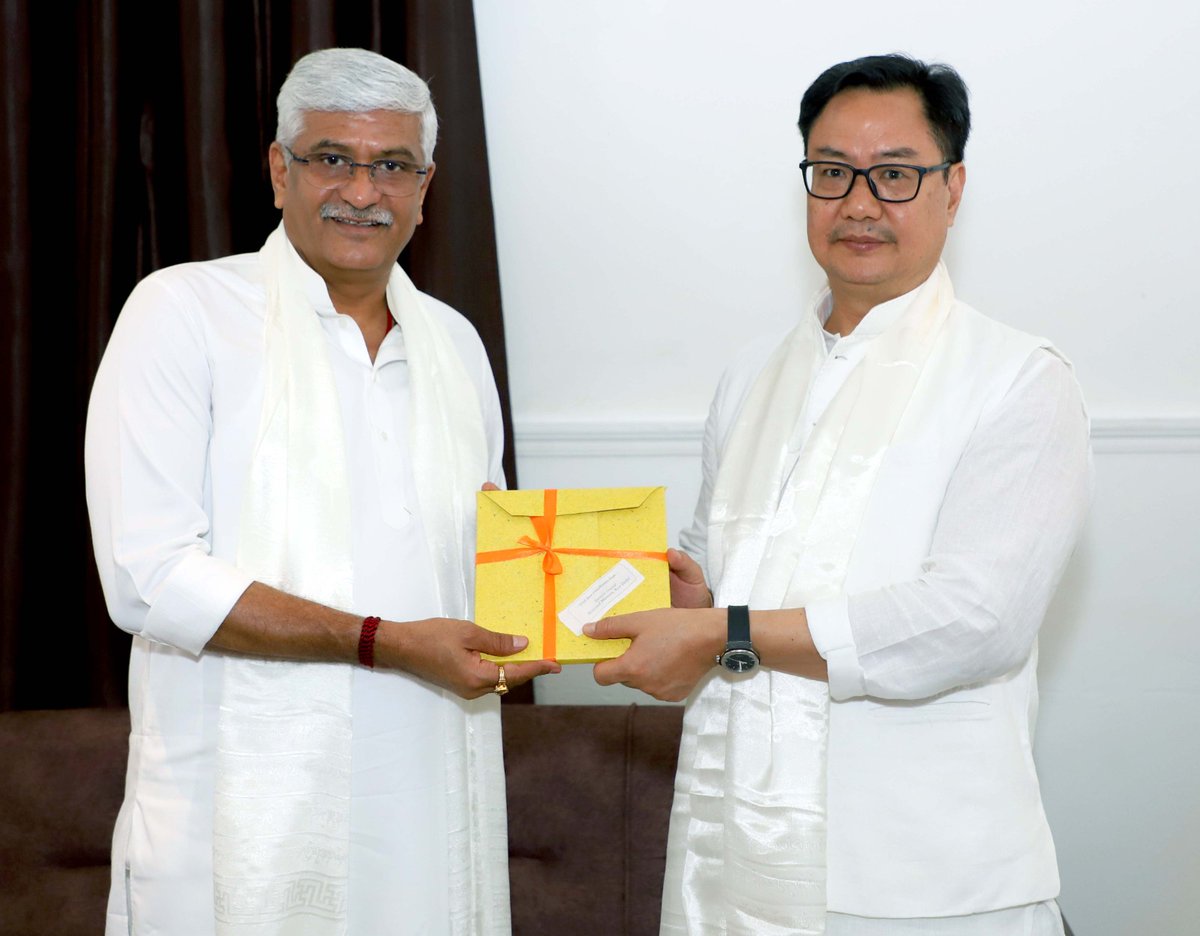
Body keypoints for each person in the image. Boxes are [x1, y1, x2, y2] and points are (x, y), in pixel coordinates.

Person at [586, 54, 1090, 935]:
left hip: (920, 875)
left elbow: (974, 619)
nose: (859, 202)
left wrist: (724, 631)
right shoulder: (751, 376)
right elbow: (717, 569)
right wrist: (687, 597)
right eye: (832, 173)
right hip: (732, 853)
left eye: (895, 174)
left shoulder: (1017, 379)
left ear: (953, 186)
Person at [85, 47, 558, 936]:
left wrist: (616, 596)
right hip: (232, 819)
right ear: (279, 170)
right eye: (332, 158)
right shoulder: (182, 312)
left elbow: (492, 557)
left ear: (425, 186)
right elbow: (148, 578)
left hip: (427, 803)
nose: (363, 191)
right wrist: (380, 642)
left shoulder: (454, 342)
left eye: (392, 166)